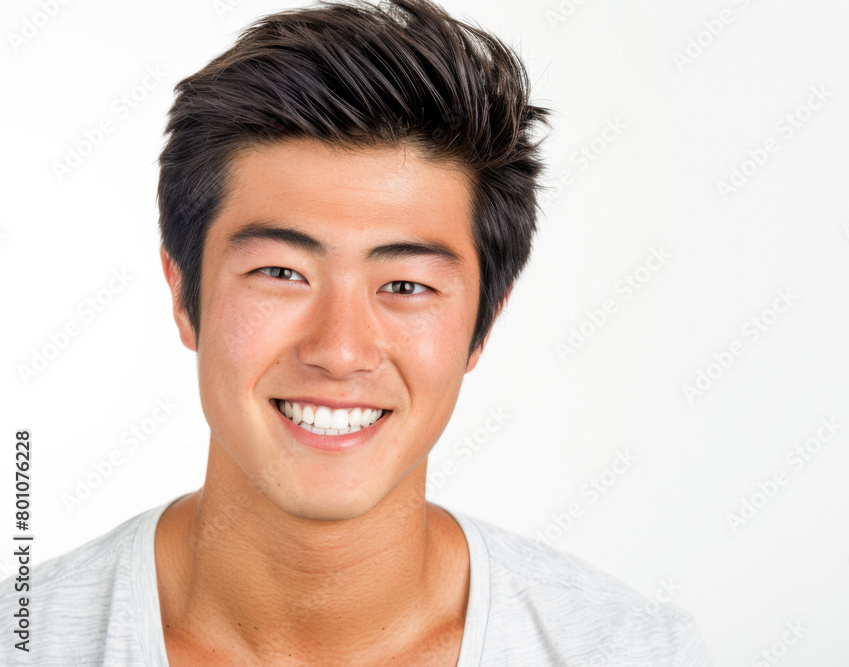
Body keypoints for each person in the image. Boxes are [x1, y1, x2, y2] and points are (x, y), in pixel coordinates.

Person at [2, 1, 713, 664]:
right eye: (281, 272)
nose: (339, 351)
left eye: (405, 286)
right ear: (185, 295)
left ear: (483, 324)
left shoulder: (632, 651)